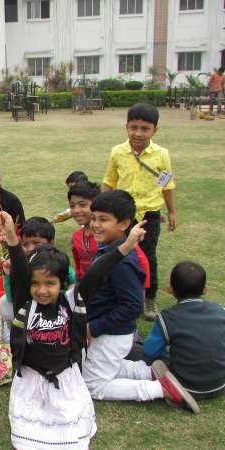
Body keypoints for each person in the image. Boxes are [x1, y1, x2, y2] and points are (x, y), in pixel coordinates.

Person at [79, 190, 199, 413]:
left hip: (112, 334)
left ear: (124, 224)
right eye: (94, 218)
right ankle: (147, 372)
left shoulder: (123, 262)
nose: (95, 224)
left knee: (91, 384)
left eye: (103, 219)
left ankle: (158, 389)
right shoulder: (109, 249)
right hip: (109, 332)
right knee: (91, 366)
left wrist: (93, 328)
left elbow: (133, 306)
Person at [0, 211, 95, 450]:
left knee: (66, 421)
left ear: (61, 284)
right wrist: (11, 235)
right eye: (35, 283)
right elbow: (20, 272)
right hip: (32, 374)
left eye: (50, 283)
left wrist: (124, 247)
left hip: (63, 373)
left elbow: (97, 274)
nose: (42, 290)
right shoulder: (26, 304)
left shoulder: (69, 301)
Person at [102, 103, 176, 321]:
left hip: (150, 214)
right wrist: (98, 210)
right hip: (122, 214)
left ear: (155, 130)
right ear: (126, 126)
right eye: (134, 127)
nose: (138, 133)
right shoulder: (118, 152)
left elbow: (167, 185)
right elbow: (109, 182)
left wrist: (171, 212)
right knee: (117, 253)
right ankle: (116, 293)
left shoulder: (162, 155)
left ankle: (149, 299)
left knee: (148, 257)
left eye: (145, 128)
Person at [143, 261, 225, 400]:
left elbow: (150, 351)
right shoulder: (219, 310)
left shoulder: (167, 317)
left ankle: (168, 387)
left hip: (185, 386)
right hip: (220, 385)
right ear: (205, 289)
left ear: (170, 289)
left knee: (136, 349)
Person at [0, 217, 77, 343]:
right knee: (3, 303)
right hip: (31, 308)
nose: (30, 248)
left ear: (51, 243)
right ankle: (13, 331)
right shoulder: (23, 266)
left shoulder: (59, 264)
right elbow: (12, 296)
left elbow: (72, 285)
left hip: (56, 310)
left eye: (36, 243)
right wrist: (9, 274)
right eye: (25, 244)